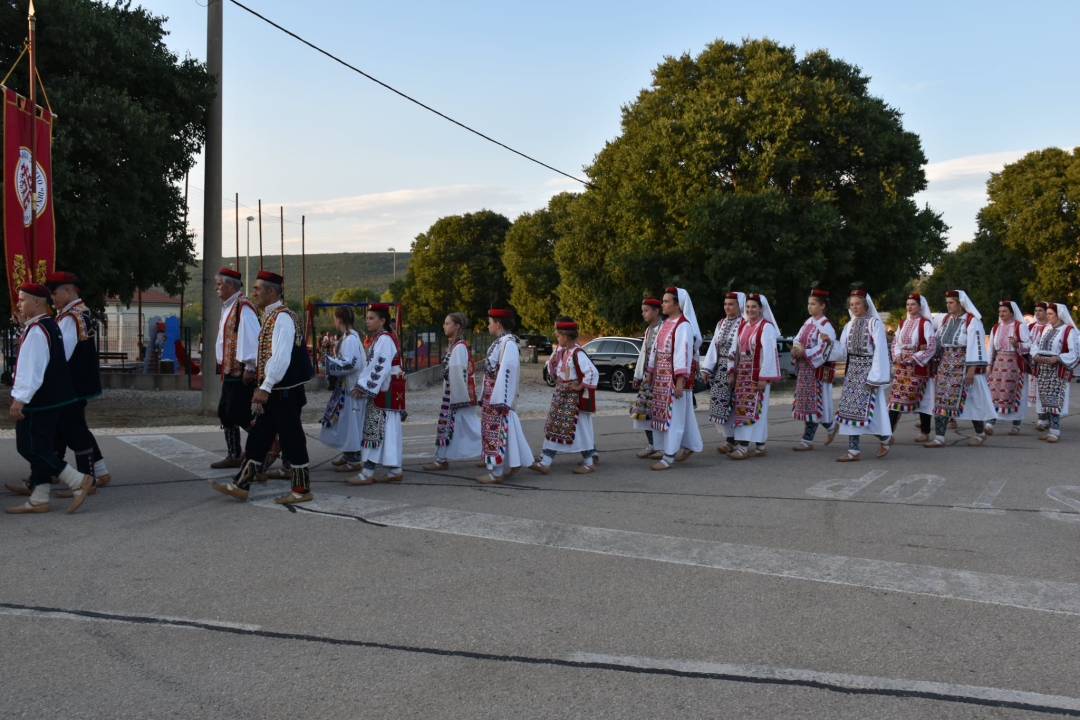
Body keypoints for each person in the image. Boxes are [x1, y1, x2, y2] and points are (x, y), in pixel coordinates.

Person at [212, 271, 314, 504]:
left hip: (284, 391)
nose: (254, 293)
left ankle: (302, 489)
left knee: (292, 438)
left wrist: (265, 386)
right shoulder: (271, 316)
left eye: (257, 289)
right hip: (276, 391)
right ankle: (241, 484)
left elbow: (281, 356)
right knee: (259, 436)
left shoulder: (283, 318)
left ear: (271, 291)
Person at [4, 283, 95, 514]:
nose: (18, 304)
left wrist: (20, 399)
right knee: (42, 447)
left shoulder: (38, 330)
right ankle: (39, 498)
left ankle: (77, 480)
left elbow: (32, 369)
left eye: (22, 299)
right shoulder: (48, 325)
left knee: (29, 447)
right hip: (51, 399)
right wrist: (22, 325)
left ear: (37, 302)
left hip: (39, 401)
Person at [42, 271, 111, 498]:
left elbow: (60, 354)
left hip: (71, 385)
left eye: (54, 293)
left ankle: (86, 479)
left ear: (67, 290)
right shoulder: (76, 313)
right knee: (65, 429)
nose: (51, 298)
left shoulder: (72, 316)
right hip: (75, 384)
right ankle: (92, 472)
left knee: (74, 431)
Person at [925, 290, 995, 448]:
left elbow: (976, 345)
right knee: (941, 399)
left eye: (951, 302)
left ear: (960, 304)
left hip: (964, 365)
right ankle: (939, 438)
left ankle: (980, 433)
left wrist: (971, 369)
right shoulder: (946, 320)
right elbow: (938, 341)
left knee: (973, 400)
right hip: (945, 365)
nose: (948, 305)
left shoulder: (971, 321)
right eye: (947, 302)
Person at [531, 317, 600, 475]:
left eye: (558, 336)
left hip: (573, 401)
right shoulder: (565, 352)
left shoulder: (577, 353)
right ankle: (546, 461)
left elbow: (592, 372)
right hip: (562, 398)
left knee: (576, 430)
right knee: (558, 429)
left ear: (566, 337)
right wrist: (556, 367)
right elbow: (557, 372)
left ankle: (586, 462)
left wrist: (579, 386)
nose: (557, 339)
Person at [831, 290, 893, 461]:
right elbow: (843, 350)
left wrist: (876, 376)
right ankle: (854, 450)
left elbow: (880, 350)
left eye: (857, 303)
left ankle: (885, 438)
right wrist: (830, 343)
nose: (854, 307)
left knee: (874, 410)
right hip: (852, 372)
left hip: (868, 371)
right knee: (850, 410)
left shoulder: (874, 323)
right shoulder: (849, 325)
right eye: (851, 304)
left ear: (865, 305)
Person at [347, 304, 406, 484]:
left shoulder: (384, 339)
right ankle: (395, 470)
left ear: (382, 321)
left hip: (383, 392)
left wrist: (364, 386)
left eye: (371, 318)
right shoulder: (380, 338)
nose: (368, 321)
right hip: (384, 391)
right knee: (388, 432)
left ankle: (367, 473)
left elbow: (380, 367)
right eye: (367, 318)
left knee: (375, 431)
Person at [647, 287, 704, 470]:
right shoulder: (666, 323)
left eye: (666, 301)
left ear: (678, 304)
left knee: (674, 417)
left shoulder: (683, 325)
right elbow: (655, 349)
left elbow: (683, 353)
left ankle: (668, 457)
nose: (662, 304)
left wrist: (679, 381)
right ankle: (689, 445)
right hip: (661, 379)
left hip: (674, 380)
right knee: (680, 416)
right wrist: (650, 373)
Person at [209, 268, 259, 469]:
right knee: (225, 412)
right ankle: (234, 454)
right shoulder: (229, 306)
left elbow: (253, 337)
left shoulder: (243, 307)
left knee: (237, 413)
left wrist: (251, 366)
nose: (216, 288)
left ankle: (268, 441)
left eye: (219, 284)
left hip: (241, 371)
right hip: (230, 370)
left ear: (230, 285)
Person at [477, 309, 532, 483]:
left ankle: (497, 473)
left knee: (497, 432)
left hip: (498, 397)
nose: (488, 326)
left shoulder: (508, 344)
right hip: (492, 396)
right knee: (507, 430)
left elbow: (507, 371)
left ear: (498, 323)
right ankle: (516, 461)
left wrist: (501, 399)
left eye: (489, 322)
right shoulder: (500, 342)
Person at [425, 312, 481, 470]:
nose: (444, 326)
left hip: (457, 396)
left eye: (447, 323)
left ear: (457, 326)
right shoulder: (455, 345)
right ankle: (441, 459)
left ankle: (493, 449)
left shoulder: (459, 347)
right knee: (451, 426)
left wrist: (458, 398)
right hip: (454, 394)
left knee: (469, 427)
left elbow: (458, 372)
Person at [727, 294, 780, 460]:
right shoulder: (743, 326)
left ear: (761, 308)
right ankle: (760, 446)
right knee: (746, 409)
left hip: (757, 375)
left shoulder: (766, 327)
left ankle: (743, 447)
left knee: (754, 409)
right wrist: (732, 371)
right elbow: (736, 350)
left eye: (754, 307)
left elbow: (769, 354)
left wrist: (764, 377)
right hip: (743, 374)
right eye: (748, 307)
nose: (750, 310)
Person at [321, 306, 366, 473]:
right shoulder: (349, 337)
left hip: (352, 390)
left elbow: (352, 364)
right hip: (347, 389)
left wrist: (329, 362)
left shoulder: (351, 339)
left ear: (339, 319)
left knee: (351, 425)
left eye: (335, 318)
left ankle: (354, 461)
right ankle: (348, 455)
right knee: (346, 423)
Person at [790, 289, 838, 451]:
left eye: (813, 304)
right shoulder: (807, 323)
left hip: (817, 370)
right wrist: (795, 350)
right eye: (808, 304)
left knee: (815, 405)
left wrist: (805, 352)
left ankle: (806, 441)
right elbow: (797, 339)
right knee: (808, 405)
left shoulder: (826, 325)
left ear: (822, 306)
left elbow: (824, 349)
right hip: (805, 370)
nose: (809, 307)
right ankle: (831, 427)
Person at [888, 293, 937, 442]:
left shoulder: (925, 323)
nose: (909, 307)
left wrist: (914, 357)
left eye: (913, 304)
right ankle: (887, 433)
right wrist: (897, 356)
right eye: (908, 304)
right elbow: (896, 343)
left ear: (920, 307)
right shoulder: (902, 323)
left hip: (918, 366)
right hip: (902, 367)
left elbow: (931, 346)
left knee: (924, 399)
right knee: (896, 398)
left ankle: (925, 431)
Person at [702, 292, 747, 454]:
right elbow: (714, 345)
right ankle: (729, 440)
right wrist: (707, 368)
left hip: (738, 369)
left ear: (739, 306)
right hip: (720, 370)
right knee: (720, 405)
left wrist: (733, 369)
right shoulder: (721, 323)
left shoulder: (744, 323)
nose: (727, 307)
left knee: (735, 405)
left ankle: (738, 440)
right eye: (725, 304)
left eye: (731, 304)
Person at [1032, 303, 1079, 442]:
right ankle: (1051, 430)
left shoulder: (1068, 330)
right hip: (1044, 369)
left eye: (1050, 314)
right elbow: (1034, 344)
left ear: (1059, 315)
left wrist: (1057, 358)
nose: (1047, 316)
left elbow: (1075, 353)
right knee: (1046, 401)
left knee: (1055, 401)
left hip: (1057, 370)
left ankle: (1055, 432)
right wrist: (1036, 355)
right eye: (1047, 314)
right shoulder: (1046, 328)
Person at [985, 301, 1032, 437]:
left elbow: (1030, 344)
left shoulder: (1019, 326)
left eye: (1004, 311)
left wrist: (1017, 344)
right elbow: (991, 348)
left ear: (1012, 312)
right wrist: (989, 364)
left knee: (1015, 393)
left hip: (1015, 365)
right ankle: (990, 424)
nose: (1001, 314)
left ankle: (1016, 425)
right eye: (1000, 311)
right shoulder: (996, 327)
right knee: (994, 393)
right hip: (999, 364)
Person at [630, 298, 664, 459]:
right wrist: (637, 375)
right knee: (643, 412)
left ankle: (662, 447)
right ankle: (651, 445)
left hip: (661, 377)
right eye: (642, 311)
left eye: (646, 310)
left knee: (659, 413)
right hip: (647, 377)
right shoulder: (649, 330)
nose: (643, 314)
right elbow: (644, 353)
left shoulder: (665, 328)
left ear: (656, 311)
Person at [1028, 302, 1050, 429]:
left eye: (1040, 310)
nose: (1037, 313)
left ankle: (1047, 418)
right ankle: (1042, 419)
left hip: (1048, 362)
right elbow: (1027, 342)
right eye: (1036, 310)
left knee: (1047, 390)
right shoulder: (1031, 327)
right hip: (1034, 362)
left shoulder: (1051, 326)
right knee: (1038, 391)